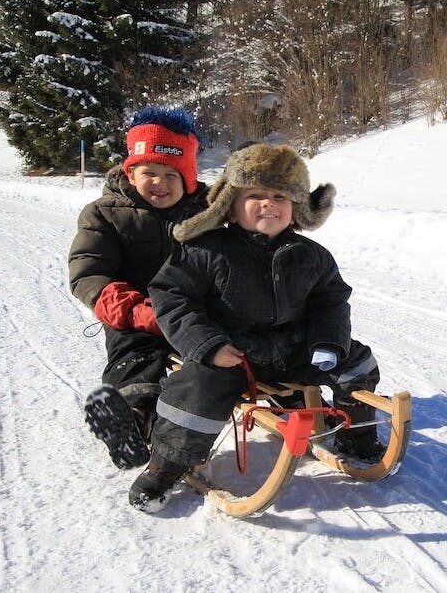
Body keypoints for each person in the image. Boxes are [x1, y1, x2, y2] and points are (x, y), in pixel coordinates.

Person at [130, 143, 383, 512]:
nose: (269, 204)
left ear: (295, 207)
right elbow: (172, 296)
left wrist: (329, 342)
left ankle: (355, 437)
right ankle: (166, 465)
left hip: (296, 349)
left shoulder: (311, 255)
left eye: (280, 195)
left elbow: (331, 300)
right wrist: (208, 345)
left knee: (359, 361)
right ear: (231, 204)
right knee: (196, 389)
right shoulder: (207, 249)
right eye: (255, 195)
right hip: (232, 354)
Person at [68, 106, 208, 470]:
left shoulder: (206, 213)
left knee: (246, 341)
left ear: (189, 179)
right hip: (137, 312)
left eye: (170, 174)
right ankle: (131, 418)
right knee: (135, 352)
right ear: (131, 172)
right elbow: (89, 272)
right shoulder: (105, 214)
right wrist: (133, 310)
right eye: (149, 172)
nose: (159, 182)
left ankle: (297, 403)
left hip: (196, 310)